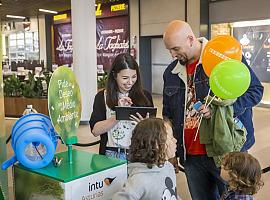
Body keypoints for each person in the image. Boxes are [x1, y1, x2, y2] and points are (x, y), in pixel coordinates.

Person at [162, 20, 264, 200]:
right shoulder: (171, 72)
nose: (172, 54)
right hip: (191, 156)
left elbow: (255, 91)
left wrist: (221, 111)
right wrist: (172, 152)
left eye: (176, 49)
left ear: (191, 39)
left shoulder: (223, 56)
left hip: (226, 153)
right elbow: (168, 114)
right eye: (169, 50)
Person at [90, 53, 153, 160]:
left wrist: (145, 125)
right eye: (125, 78)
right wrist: (119, 114)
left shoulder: (145, 96)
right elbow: (95, 131)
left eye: (134, 77)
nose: (130, 82)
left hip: (138, 154)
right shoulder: (102, 97)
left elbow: (153, 132)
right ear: (114, 75)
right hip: (110, 154)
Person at [112, 118, 180, 200]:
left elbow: (171, 194)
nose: (175, 140)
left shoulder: (168, 166)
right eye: (171, 138)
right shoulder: (139, 180)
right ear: (156, 144)